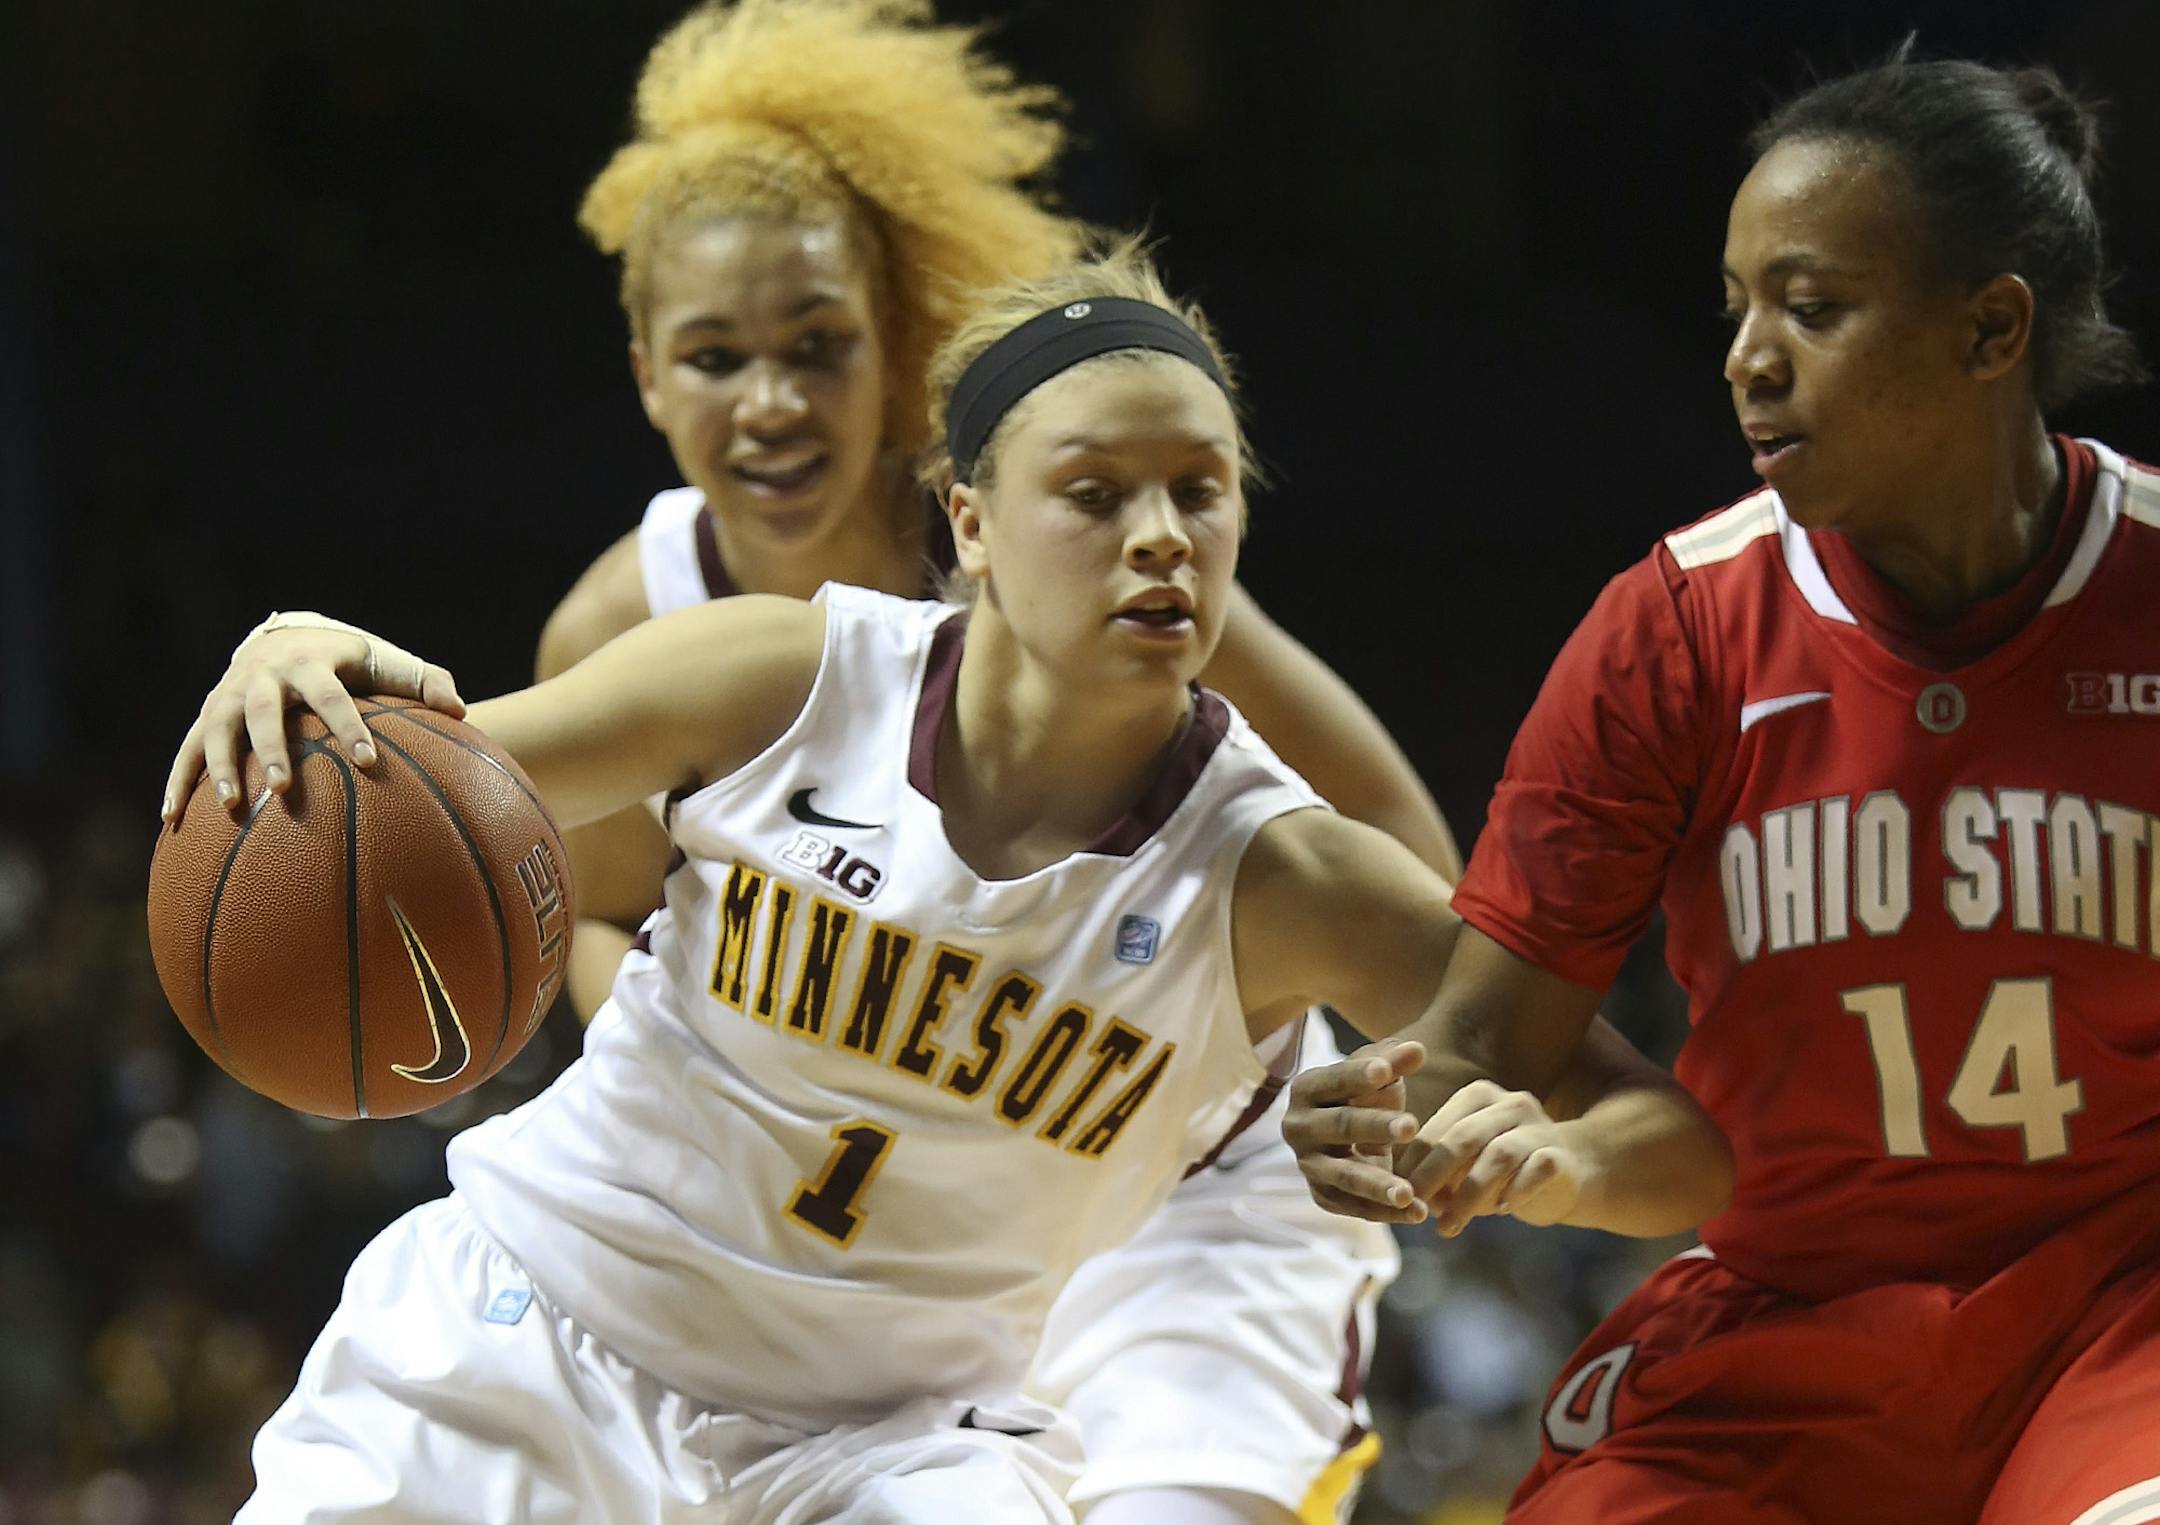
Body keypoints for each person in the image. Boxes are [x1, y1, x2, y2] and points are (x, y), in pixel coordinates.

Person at [162, 246, 1729, 1523]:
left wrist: (1559, 1168)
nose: (1162, 536)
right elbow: (429, 778)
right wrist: (293, 648)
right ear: (968, 519)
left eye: (1203, 488)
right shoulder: (786, 674)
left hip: (888, 1444)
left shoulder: (1287, 872)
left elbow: (1687, 1149)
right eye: (1097, 492)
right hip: (533, 1330)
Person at [539, 3, 1454, 1518]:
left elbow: (1395, 844)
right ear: (649, 375)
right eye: (718, 357)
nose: (769, 401)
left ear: (895, 339)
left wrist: (1377, 1075)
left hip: (1174, 1176)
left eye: (816, 347)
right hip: (894, 1190)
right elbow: (597, 919)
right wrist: (698, 1084)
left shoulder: (1065, 530)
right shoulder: (629, 618)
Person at [1285, 47, 2160, 1524]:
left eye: (1811, 309)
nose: (1750, 355)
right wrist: (1376, 1115)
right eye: (1737, 307)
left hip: (2122, 1306)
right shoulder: (1679, 627)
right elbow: (1484, 1036)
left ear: (1991, 328)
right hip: (1794, 1309)